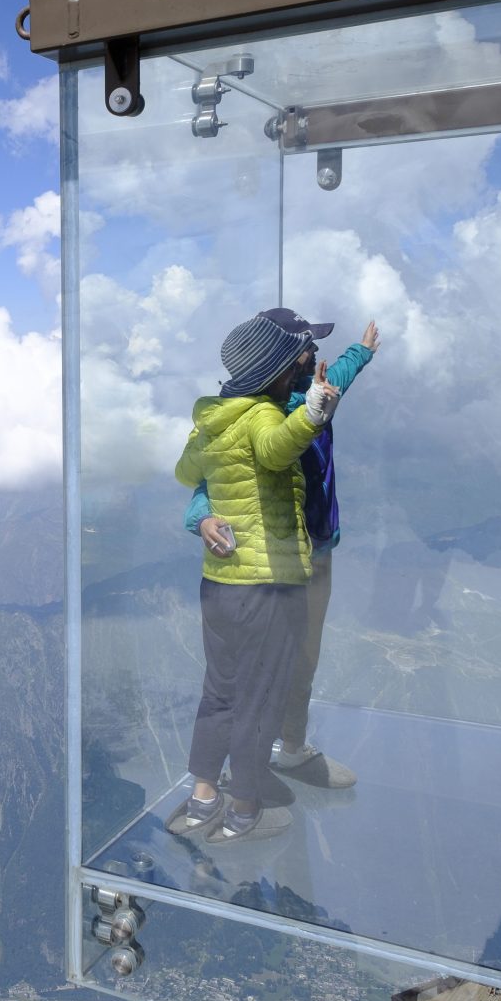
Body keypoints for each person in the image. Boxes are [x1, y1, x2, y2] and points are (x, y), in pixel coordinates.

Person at [187, 311, 378, 789]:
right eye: (309, 345)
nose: (316, 353)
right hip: (272, 561)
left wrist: (364, 352)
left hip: (315, 550)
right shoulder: (262, 411)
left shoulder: (314, 389)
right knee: (263, 665)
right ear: (286, 360)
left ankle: (288, 750)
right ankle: (245, 774)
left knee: (302, 656)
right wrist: (201, 518)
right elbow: (214, 477)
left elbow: (339, 377)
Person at [170, 315, 339, 842]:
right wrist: (312, 411)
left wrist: (206, 508)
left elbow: (184, 472)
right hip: (267, 585)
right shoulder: (262, 416)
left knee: (219, 692)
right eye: (293, 360)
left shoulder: (211, 421)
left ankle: (202, 799)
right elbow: (275, 447)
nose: (300, 365)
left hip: (218, 583)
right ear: (273, 369)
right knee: (260, 698)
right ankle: (245, 809)